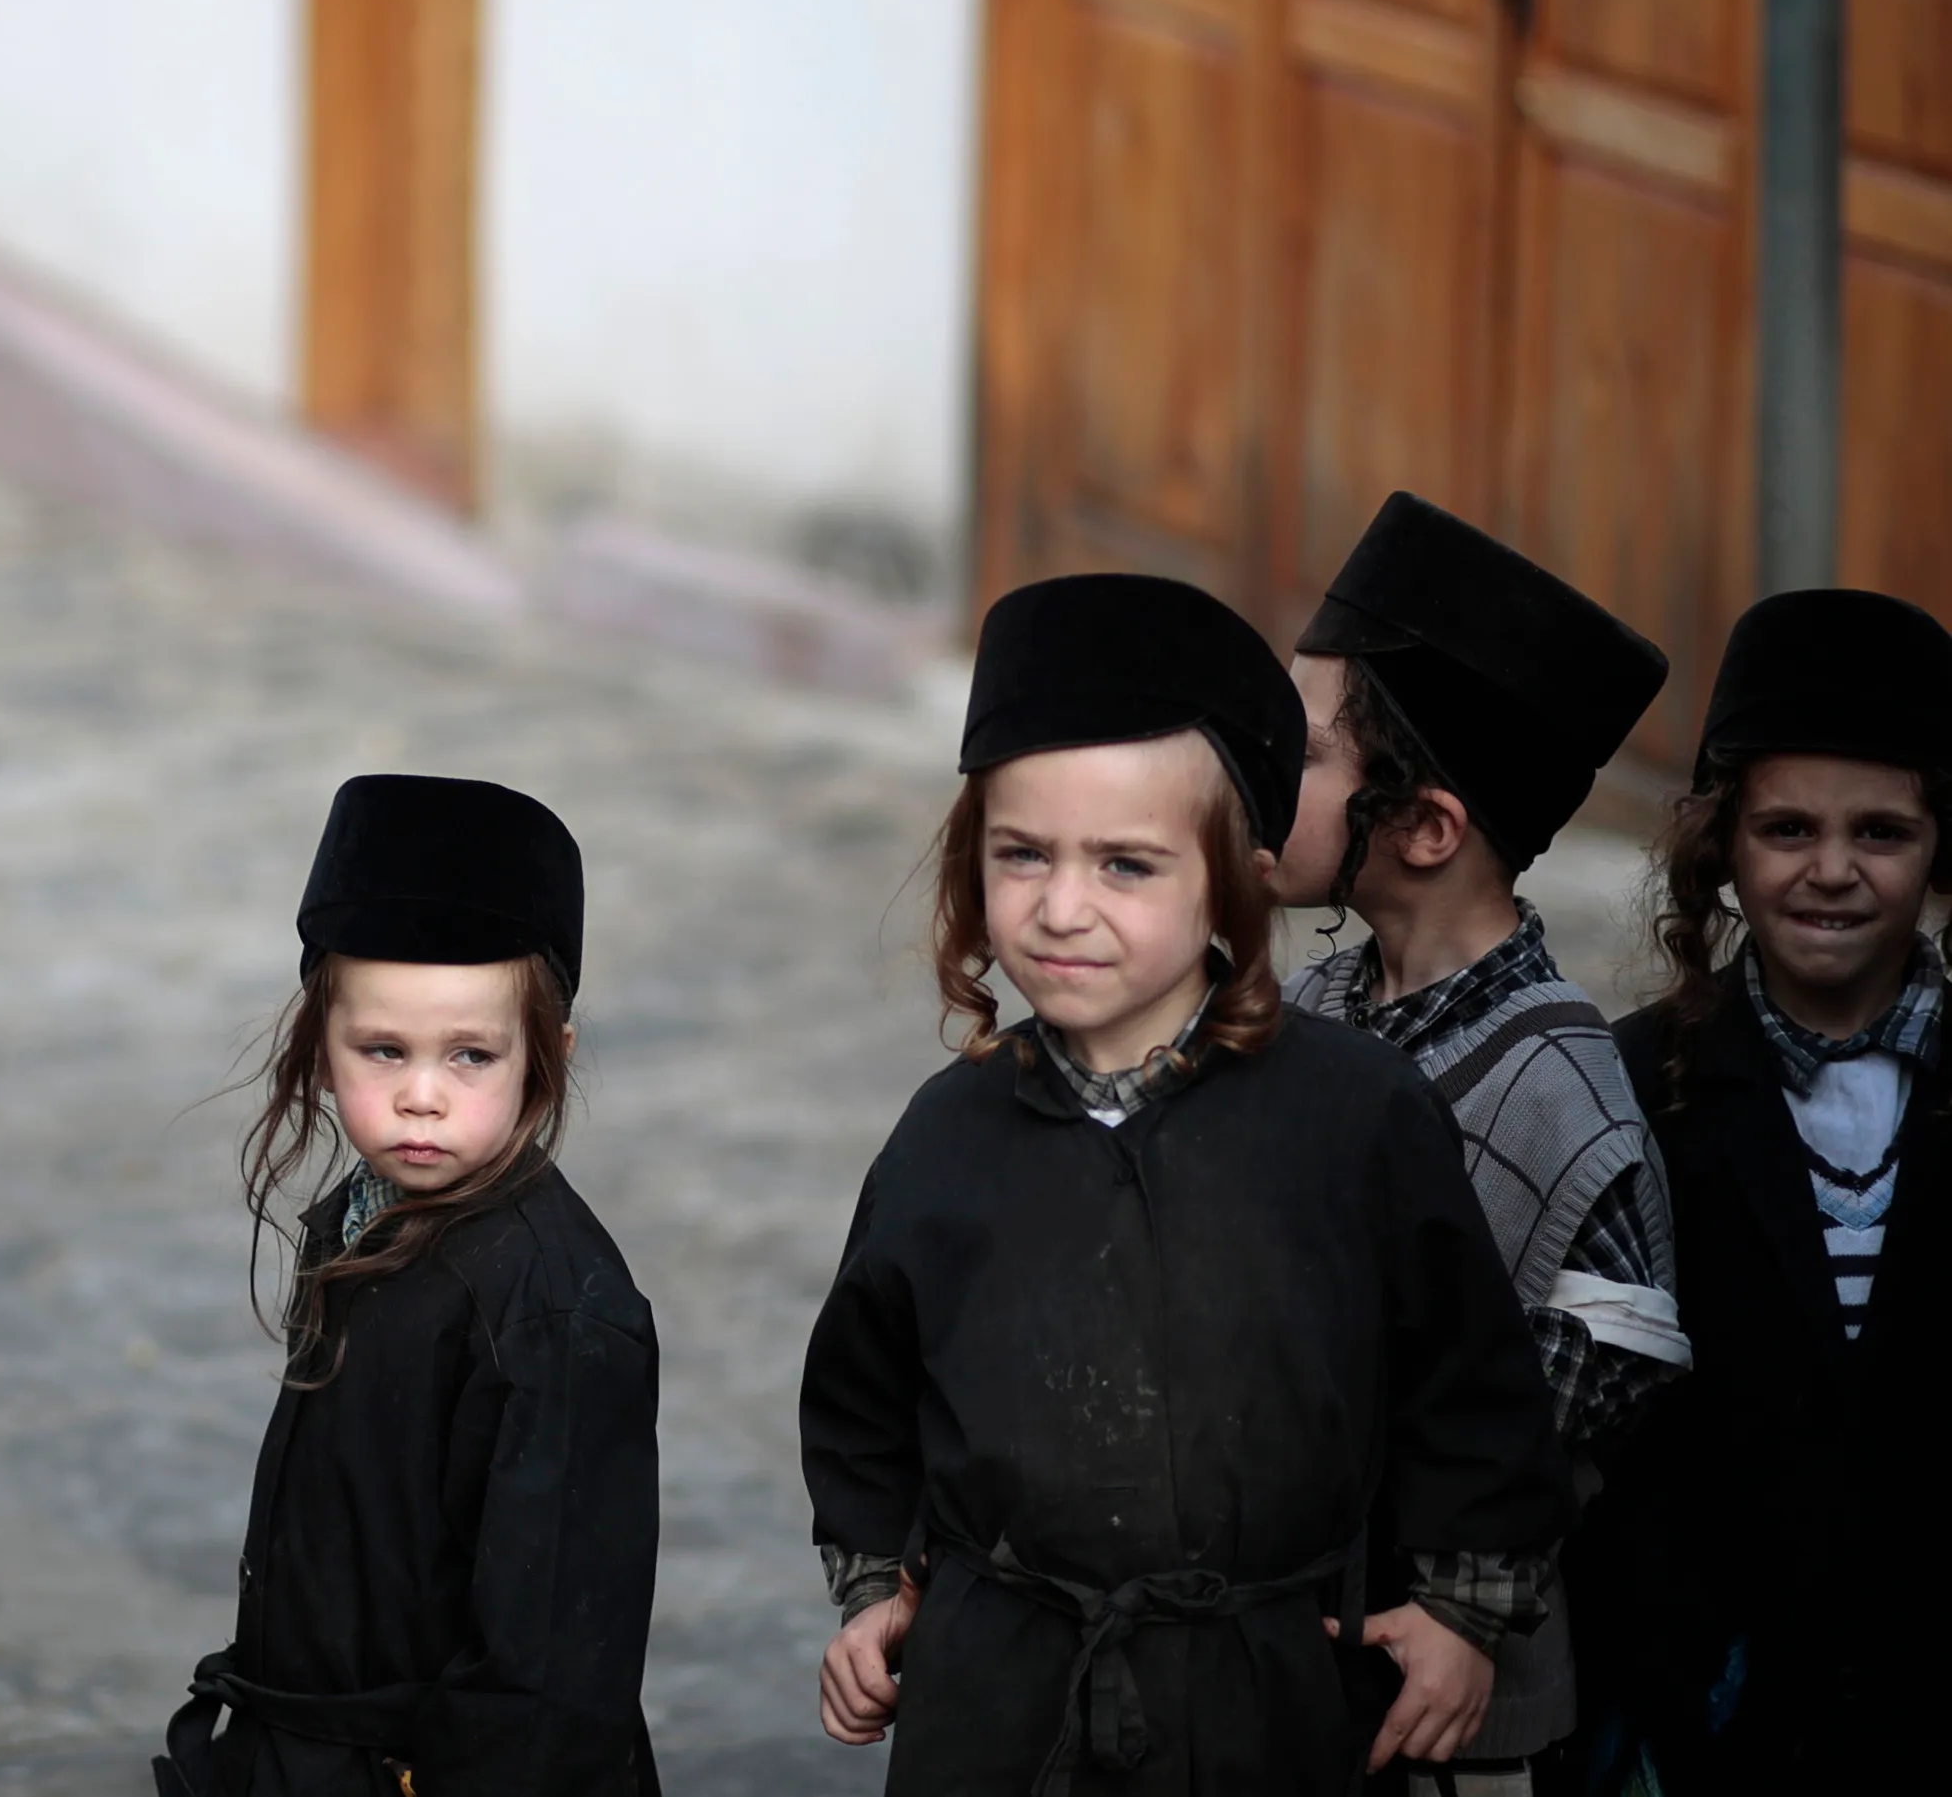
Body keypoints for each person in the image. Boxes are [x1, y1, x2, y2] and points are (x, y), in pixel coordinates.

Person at [801, 573, 1574, 1793]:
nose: (1062, 908)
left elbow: (1468, 1388)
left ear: (1233, 873)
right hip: (997, 1705)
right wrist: (870, 1593)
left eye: (1125, 865)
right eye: (1022, 855)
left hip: (1267, 1699)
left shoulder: (1354, 1117)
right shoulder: (943, 1138)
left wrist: (1463, 1610)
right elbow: (860, 1402)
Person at [1270, 491, 1687, 1788]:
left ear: (1429, 827)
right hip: (1287, 1653)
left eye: (1300, 754)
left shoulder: (1566, 1092)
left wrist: (1459, 1600)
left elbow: (1571, 1414)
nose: (1247, 772)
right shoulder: (1310, 1007)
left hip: (1451, 1706)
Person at [159, 773, 661, 1797]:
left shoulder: (552, 1308)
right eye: (381, 1050)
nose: (421, 1097)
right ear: (318, 1044)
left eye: (470, 1055)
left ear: (544, 1059)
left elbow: (551, 1677)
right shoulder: (354, 1217)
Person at [1577, 590, 1952, 1791]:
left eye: (1879, 834)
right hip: (1710, 1730)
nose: (1829, 872)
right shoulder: (1635, 1085)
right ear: (1721, 847)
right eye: (1785, 830)